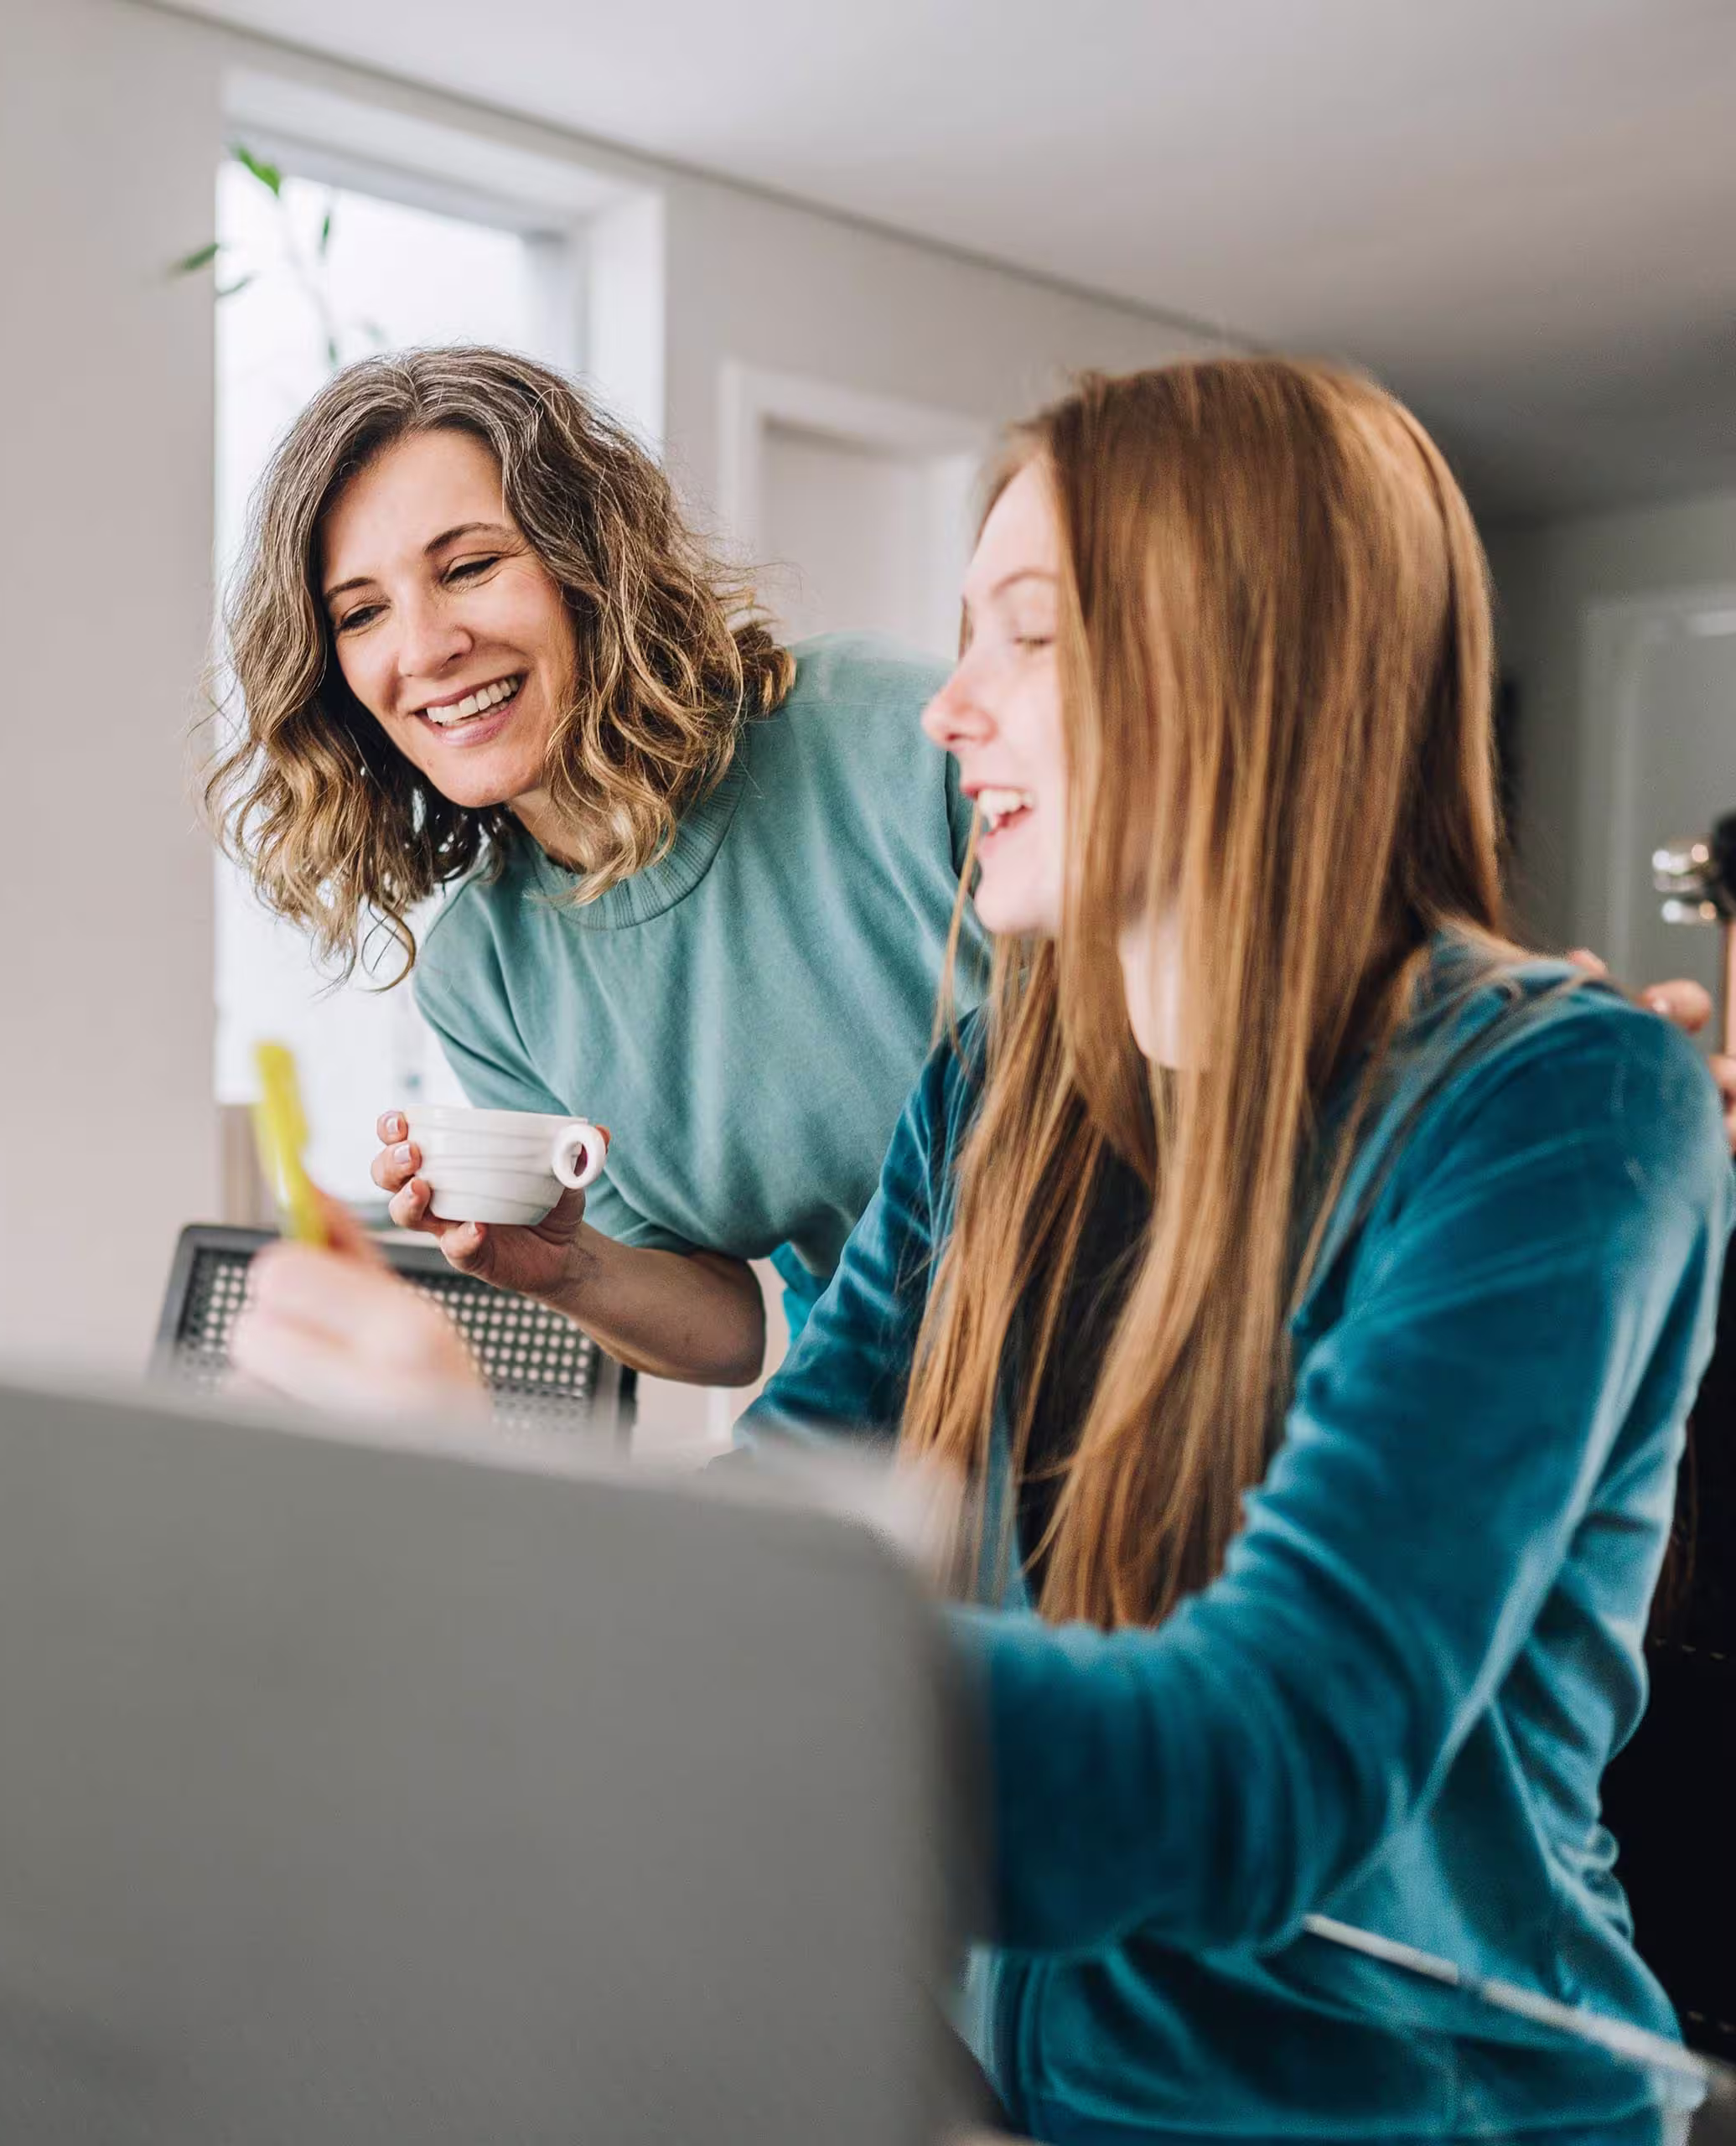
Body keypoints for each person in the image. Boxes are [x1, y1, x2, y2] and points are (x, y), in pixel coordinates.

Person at [236, 357, 1731, 2142]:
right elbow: (798, 1518)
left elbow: (1262, 1759)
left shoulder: (1562, 1099)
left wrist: (509, 1543)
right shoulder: (996, 1090)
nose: (944, 711)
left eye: (1024, 636)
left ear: (1243, 655)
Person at [208, 345, 985, 1391]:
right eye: (361, 613)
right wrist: (565, 1267)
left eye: (470, 566)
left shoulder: (891, 733)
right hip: (892, 1406)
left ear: (589, 562)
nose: (426, 647)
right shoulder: (483, 973)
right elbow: (729, 1327)